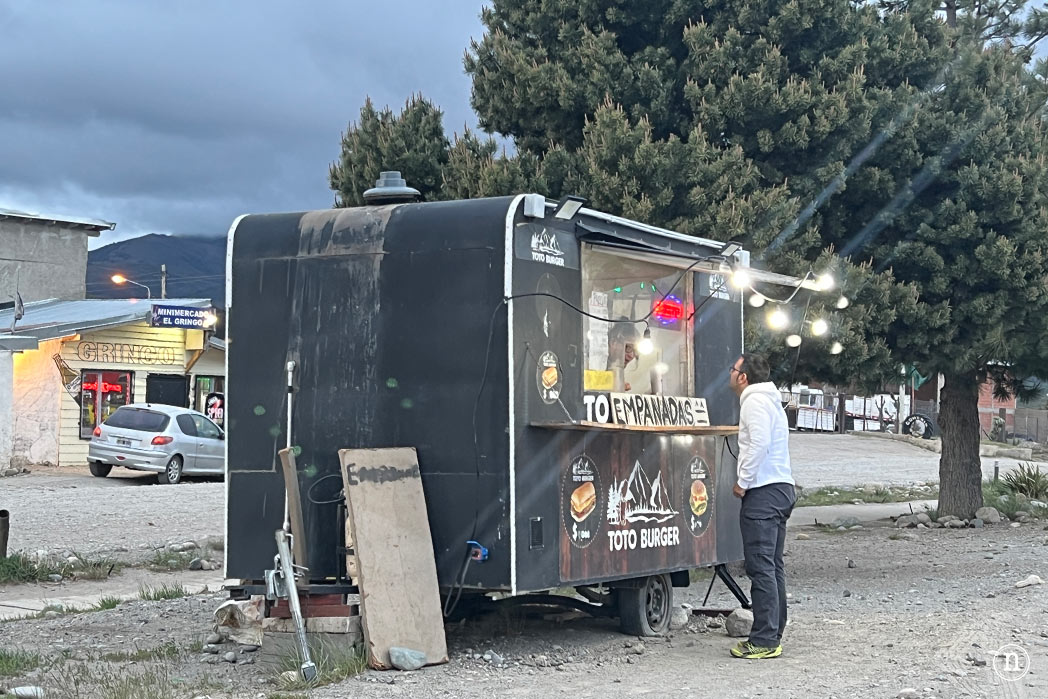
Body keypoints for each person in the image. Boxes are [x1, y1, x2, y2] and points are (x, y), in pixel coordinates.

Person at [728, 353, 795, 659]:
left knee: (760, 566)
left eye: (733, 370)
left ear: (743, 377)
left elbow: (759, 444)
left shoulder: (753, 401)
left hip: (763, 491)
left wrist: (743, 480)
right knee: (773, 565)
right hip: (782, 487)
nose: (730, 374)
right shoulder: (771, 399)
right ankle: (774, 631)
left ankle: (765, 639)